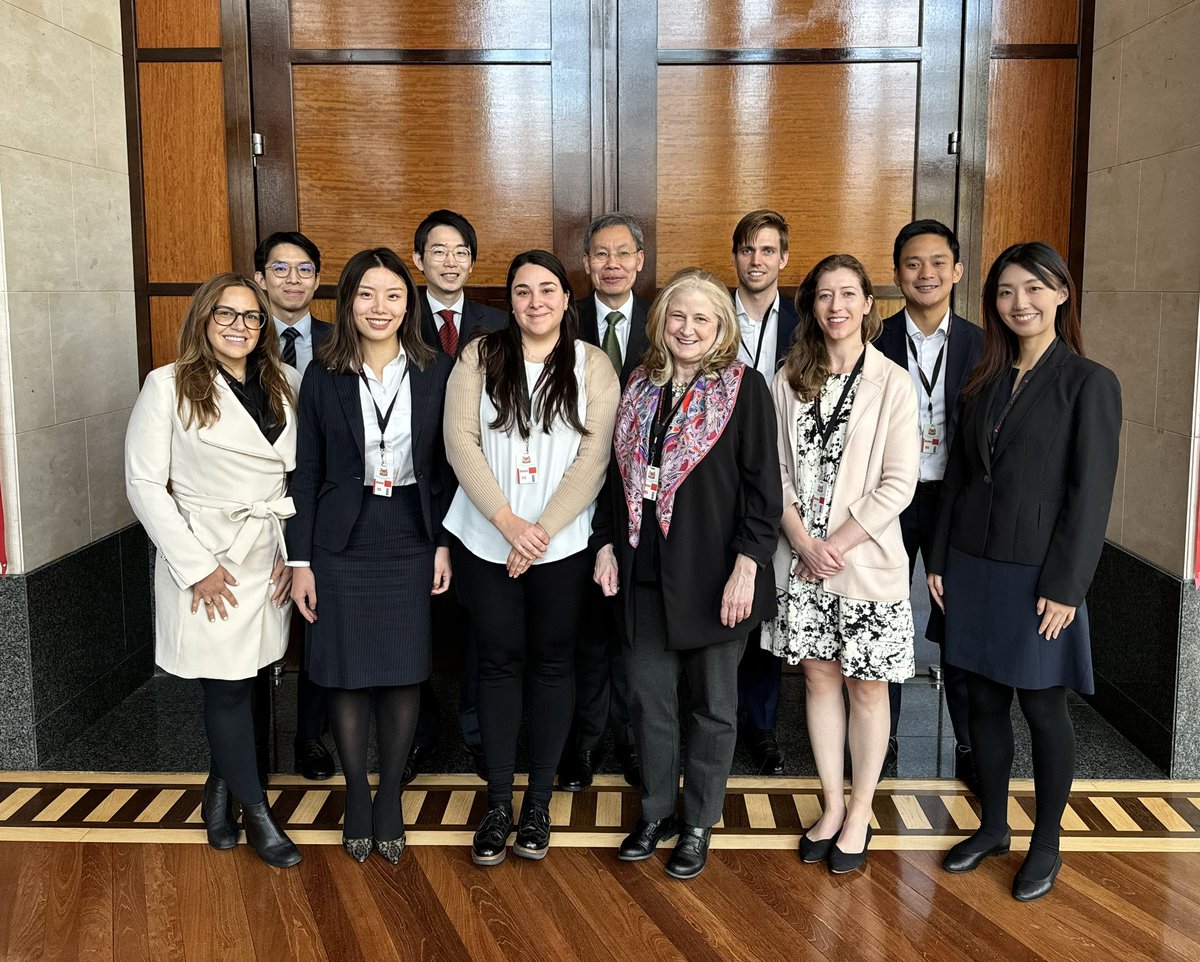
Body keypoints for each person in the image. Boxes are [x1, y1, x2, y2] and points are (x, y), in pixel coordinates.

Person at [928, 242, 1121, 901]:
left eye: (1034, 289)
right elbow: (959, 477)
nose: (1020, 303)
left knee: (1042, 710)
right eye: (1007, 293)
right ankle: (992, 827)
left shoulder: (1088, 383)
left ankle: (1046, 841)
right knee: (981, 703)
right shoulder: (985, 377)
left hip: (1040, 575)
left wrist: (1066, 586)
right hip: (973, 567)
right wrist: (940, 560)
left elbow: (1089, 497)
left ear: (1062, 293)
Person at [593, 268, 782, 880]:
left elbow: (764, 493)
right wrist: (603, 545)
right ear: (660, 322)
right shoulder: (638, 385)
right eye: (678, 316)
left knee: (714, 707)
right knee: (650, 701)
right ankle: (655, 812)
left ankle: (698, 821)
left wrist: (747, 568)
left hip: (715, 577)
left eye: (703, 318)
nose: (688, 328)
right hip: (642, 571)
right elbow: (613, 483)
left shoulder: (743, 388)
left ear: (721, 326)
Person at [443, 249, 618, 866]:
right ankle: (497, 803)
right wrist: (509, 524)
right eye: (522, 291)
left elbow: (595, 458)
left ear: (568, 300)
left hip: (562, 545)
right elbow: (459, 442)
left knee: (551, 665)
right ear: (508, 301)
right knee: (496, 664)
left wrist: (539, 531)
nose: (535, 301)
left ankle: (538, 803)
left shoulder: (592, 365)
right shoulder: (479, 356)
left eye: (548, 290)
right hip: (485, 540)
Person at [125, 272, 303, 868]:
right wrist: (196, 566)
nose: (240, 326)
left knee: (251, 679)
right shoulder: (168, 385)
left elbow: (296, 477)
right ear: (203, 319)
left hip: (267, 554)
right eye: (226, 314)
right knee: (226, 685)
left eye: (252, 317)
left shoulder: (286, 382)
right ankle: (258, 814)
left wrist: (291, 556)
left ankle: (221, 785)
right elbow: (145, 485)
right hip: (209, 557)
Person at [287, 248, 454, 864]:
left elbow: (450, 468)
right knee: (343, 671)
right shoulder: (323, 373)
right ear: (347, 301)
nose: (379, 308)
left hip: (411, 530)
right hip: (339, 540)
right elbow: (304, 474)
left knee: (405, 669)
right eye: (366, 295)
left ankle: (390, 798)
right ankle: (357, 792)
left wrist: (442, 542)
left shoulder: (438, 369)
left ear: (408, 303)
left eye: (392, 295)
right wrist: (300, 559)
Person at [762, 254, 918, 875]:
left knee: (867, 687)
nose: (837, 306)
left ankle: (860, 811)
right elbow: (771, 470)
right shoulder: (788, 376)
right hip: (801, 563)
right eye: (825, 296)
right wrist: (802, 541)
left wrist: (837, 544)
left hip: (866, 563)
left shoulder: (893, 383)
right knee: (820, 680)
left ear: (867, 304)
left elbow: (899, 484)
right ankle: (830, 804)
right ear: (812, 307)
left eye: (848, 294)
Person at [874, 220, 983, 783]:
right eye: (913, 264)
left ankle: (968, 742)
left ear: (957, 271)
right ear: (897, 275)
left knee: (956, 618)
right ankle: (881, 737)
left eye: (938, 262)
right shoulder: (875, 342)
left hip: (957, 499)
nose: (926, 273)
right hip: (890, 496)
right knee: (888, 615)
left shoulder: (984, 344)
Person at [406, 209, 507, 784]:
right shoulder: (396, 313)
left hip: (481, 492)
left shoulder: (498, 322)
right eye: (438, 251)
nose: (450, 261)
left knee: (478, 623)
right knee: (413, 619)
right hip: (412, 490)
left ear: (473, 260)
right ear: (418, 259)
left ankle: (475, 731)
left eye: (460, 251)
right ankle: (417, 733)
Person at [560, 212, 652, 793]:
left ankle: (635, 742)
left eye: (623, 254)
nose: (612, 264)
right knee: (586, 634)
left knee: (636, 634)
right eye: (601, 254)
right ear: (587, 264)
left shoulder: (666, 324)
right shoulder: (559, 321)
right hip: (576, 495)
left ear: (640, 262)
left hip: (647, 501)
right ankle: (584, 742)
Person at [253, 230, 335, 782]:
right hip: (257, 503)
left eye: (305, 270)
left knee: (317, 622)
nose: (293, 280)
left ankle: (310, 736)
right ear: (260, 278)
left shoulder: (339, 341)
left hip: (325, 500)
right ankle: (255, 746)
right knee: (256, 620)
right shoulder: (239, 339)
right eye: (280, 269)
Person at [730, 209, 802, 776]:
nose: (757, 260)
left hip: (782, 480)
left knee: (761, 609)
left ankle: (761, 725)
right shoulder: (705, 313)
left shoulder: (808, 320)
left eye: (767, 250)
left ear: (783, 258)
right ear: (736, 257)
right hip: (713, 479)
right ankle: (714, 720)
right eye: (748, 250)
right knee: (712, 602)